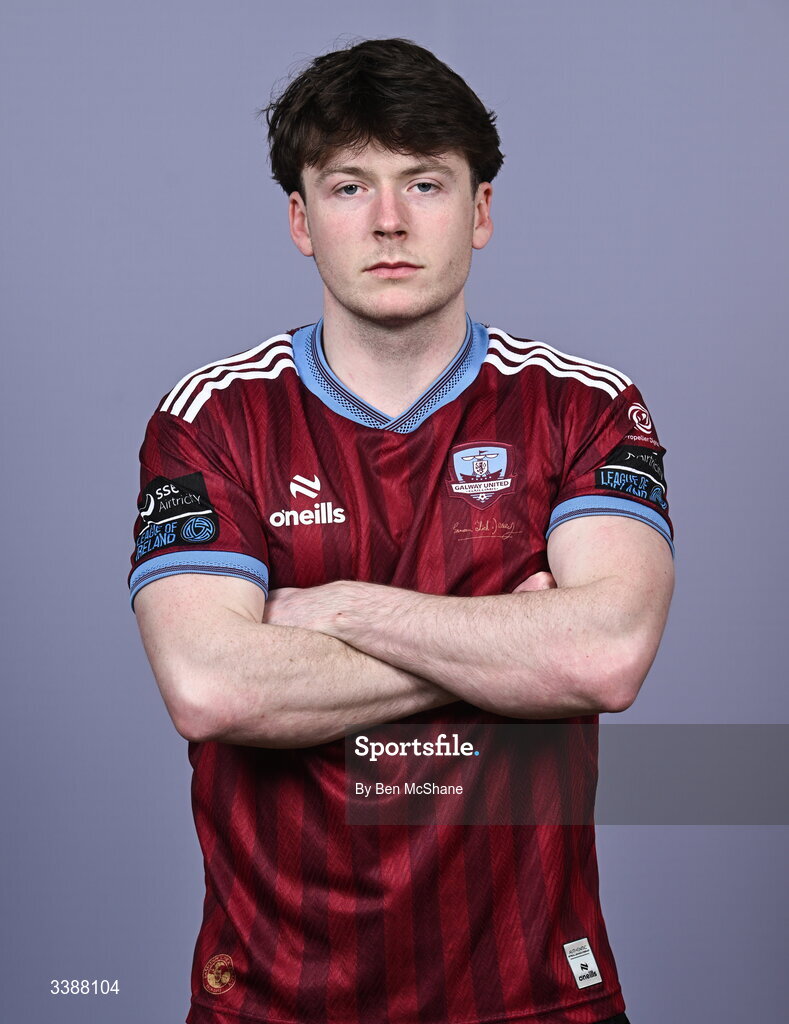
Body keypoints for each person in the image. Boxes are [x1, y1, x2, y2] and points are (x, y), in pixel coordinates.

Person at [129, 37, 673, 1024]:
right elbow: (213, 685)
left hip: (537, 999)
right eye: (348, 187)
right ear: (301, 220)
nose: (387, 221)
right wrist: (507, 647)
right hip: (272, 1003)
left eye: (424, 182)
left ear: (482, 209)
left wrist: (337, 609)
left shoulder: (584, 406)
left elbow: (605, 657)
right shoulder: (211, 418)